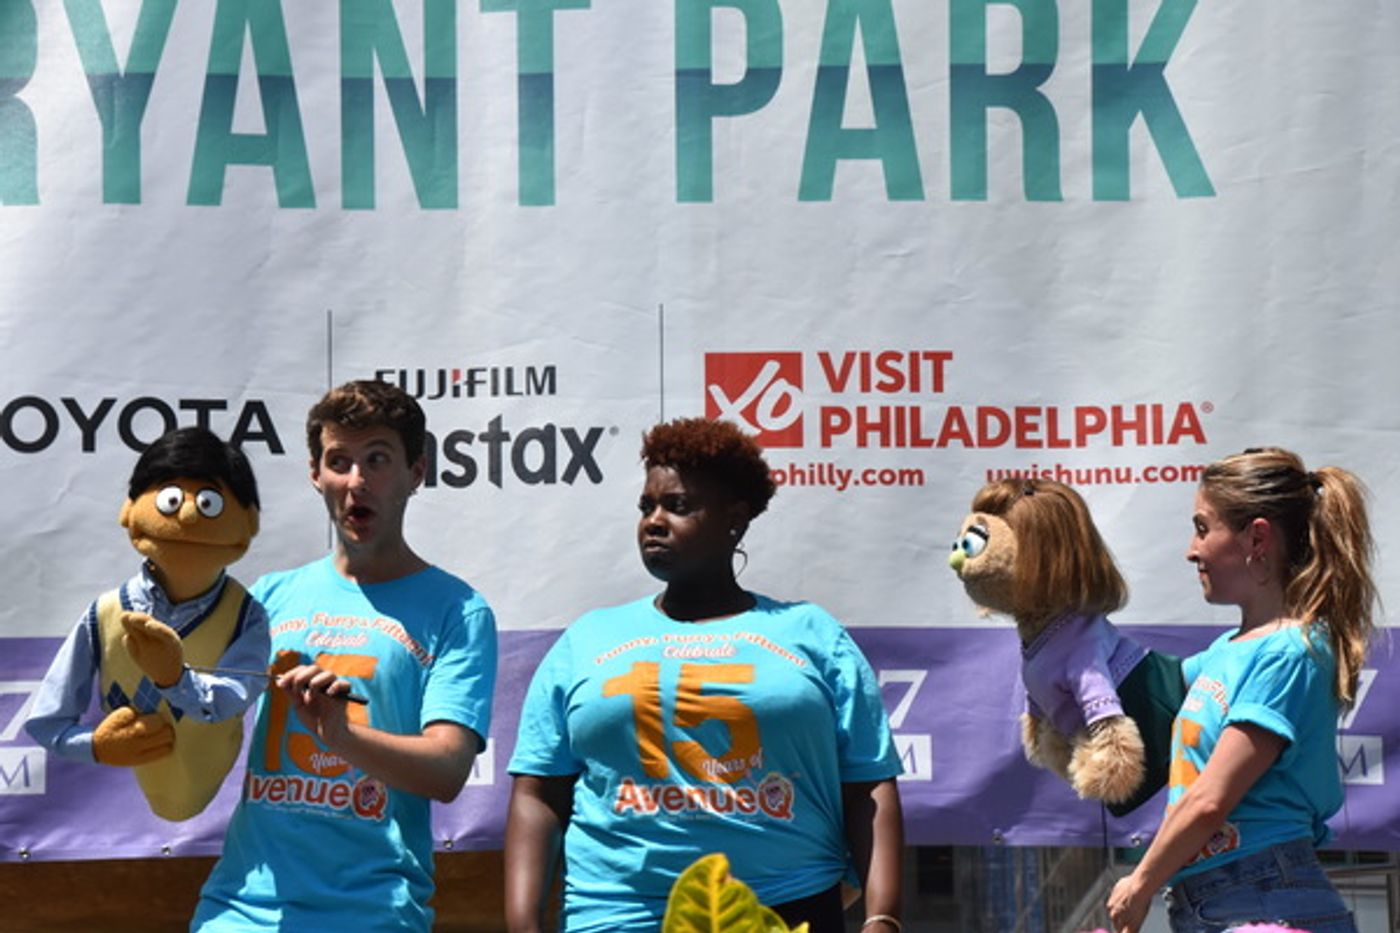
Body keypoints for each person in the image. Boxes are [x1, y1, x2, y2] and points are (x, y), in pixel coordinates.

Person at [505, 417, 904, 933]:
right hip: (616, 918)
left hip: (784, 909)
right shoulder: (587, 640)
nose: (654, 521)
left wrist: (883, 919)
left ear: (734, 519)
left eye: (677, 505)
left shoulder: (812, 634)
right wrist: (523, 924)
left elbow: (869, 787)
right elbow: (538, 795)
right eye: (646, 506)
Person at [193, 380, 498, 931]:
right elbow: (203, 718)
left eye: (377, 459)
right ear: (316, 473)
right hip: (240, 910)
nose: (357, 481)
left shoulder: (458, 610)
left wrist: (341, 735)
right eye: (339, 461)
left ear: (416, 472)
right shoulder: (267, 596)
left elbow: (449, 770)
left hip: (371, 912)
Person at [1107, 448, 1377, 933]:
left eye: (1202, 528)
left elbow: (1211, 798)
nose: (1192, 550)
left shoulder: (1291, 653)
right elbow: (1141, 686)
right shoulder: (1226, 651)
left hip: (1266, 894)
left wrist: (1140, 882)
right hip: (1220, 899)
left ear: (1256, 538)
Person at [25, 426, 266, 821]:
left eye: (209, 502)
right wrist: (96, 746)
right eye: (171, 499)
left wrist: (175, 680)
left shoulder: (245, 615)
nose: (188, 514)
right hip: (117, 816)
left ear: (249, 523)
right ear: (130, 511)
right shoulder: (106, 614)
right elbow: (48, 720)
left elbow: (235, 694)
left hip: (220, 801)